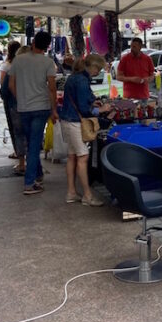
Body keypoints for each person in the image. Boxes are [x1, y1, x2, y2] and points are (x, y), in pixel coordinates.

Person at [8, 31, 58, 195]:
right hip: (41, 107)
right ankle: (29, 183)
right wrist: (54, 109)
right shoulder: (48, 62)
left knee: (32, 142)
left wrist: (20, 98)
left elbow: (11, 85)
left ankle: (37, 174)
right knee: (35, 145)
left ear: (33, 42)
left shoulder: (18, 60)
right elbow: (51, 87)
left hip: (24, 108)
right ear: (47, 46)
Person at [59, 54, 111, 207]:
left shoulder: (75, 77)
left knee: (72, 156)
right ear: (93, 67)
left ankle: (71, 192)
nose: (99, 72)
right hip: (75, 122)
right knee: (83, 157)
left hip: (67, 119)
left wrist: (92, 101)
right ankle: (87, 195)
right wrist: (101, 109)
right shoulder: (82, 80)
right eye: (99, 69)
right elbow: (84, 108)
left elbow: (77, 99)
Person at [0, 41, 26, 173]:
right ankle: (34, 166)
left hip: (15, 104)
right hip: (34, 105)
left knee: (18, 132)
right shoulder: (37, 68)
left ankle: (22, 162)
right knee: (32, 135)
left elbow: (5, 88)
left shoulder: (9, 67)